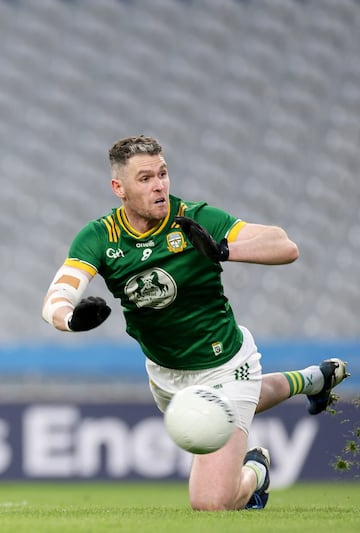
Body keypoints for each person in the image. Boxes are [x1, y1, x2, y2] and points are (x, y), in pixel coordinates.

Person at [41, 135, 349, 511]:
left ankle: (257, 471)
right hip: (164, 374)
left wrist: (223, 250)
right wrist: (70, 319)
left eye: (163, 173)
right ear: (118, 188)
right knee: (249, 396)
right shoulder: (100, 236)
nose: (159, 185)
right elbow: (58, 294)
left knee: (209, 503)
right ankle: (311, 379)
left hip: (225, 364)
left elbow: (285, 246)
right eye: (145, 178)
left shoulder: (195, 218)